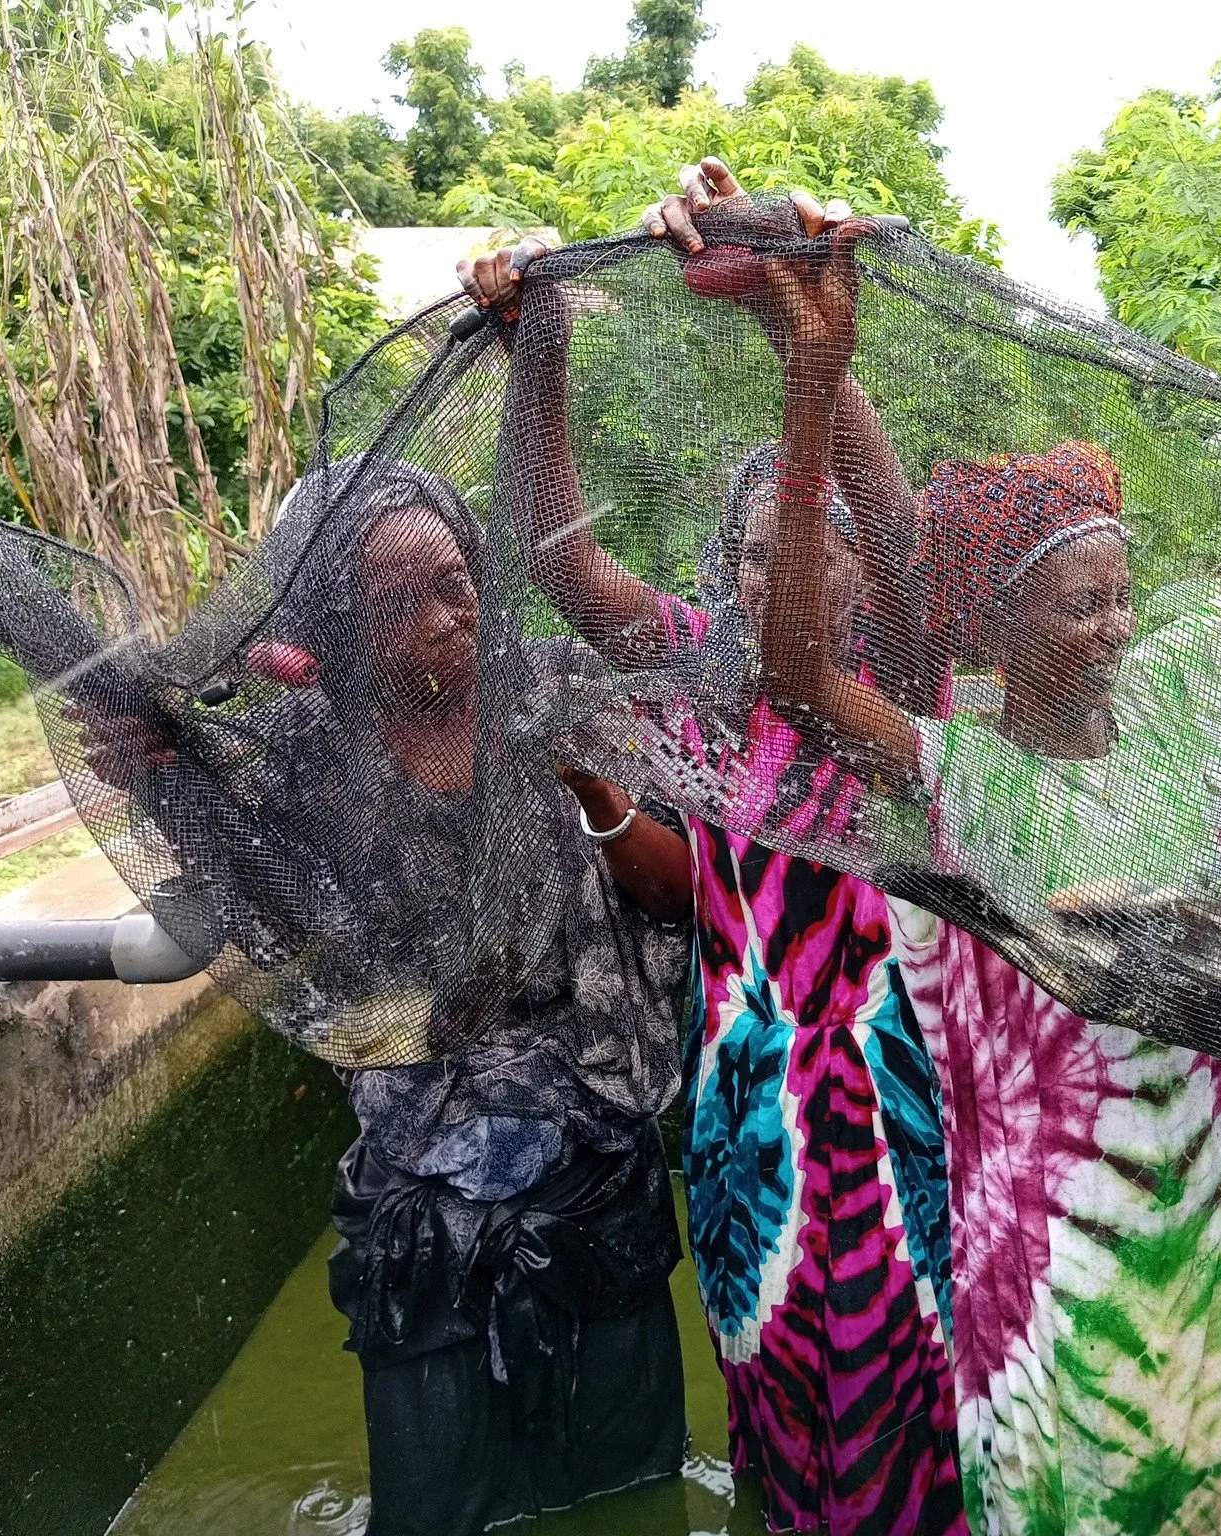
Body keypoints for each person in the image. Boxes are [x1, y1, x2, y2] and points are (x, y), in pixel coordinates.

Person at [656, 164, 1221, 1536]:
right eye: (1084, 607)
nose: (1122, 626)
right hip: (1056, 1251)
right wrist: (810, 369)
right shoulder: (954, 771)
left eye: (1125, 593)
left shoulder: (1185, 686)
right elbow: (796, 673)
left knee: (1214, 1497)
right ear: (997, 632)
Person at [460, 198, 970, 1535]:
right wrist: (539, 354)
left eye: (806, 554)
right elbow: (561, 565)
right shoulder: (701, 681)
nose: (772, 580)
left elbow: (913, 549)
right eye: (748, 559)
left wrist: (811, 347)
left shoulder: (902, 696)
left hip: (885, 1092)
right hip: (744, 1101)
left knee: (901, 1394)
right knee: (771, 1391)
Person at [84, 463, 694, 1536]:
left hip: (595, 1159)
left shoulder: (560, 688)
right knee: (437, 1499)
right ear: (337, 626)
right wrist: (159, 778)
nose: (444, 620)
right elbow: (264, 910)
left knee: (623, 1488)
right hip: (420, 1180)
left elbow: (676, 890)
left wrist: (586, 781)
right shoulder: (300, 755)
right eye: (395, 605)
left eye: (455, 584)